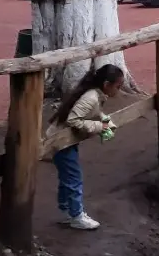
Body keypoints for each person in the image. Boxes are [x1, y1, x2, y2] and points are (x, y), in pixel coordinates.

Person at [46, 64, 124, 230]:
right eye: (118, 86)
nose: (119, 90)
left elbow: (94, 112)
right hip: (61, 141)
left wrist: (106, 121)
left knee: (67, 177)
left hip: (65, 140)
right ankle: (76, 215)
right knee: (74, 178)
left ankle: (66, 210)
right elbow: (73, 120)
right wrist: (99, 127)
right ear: (106, 85)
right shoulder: (91, 97)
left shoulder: (95, 95)